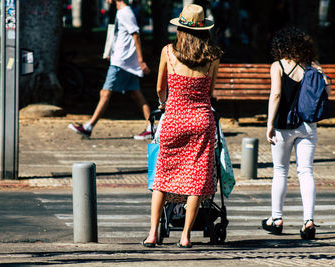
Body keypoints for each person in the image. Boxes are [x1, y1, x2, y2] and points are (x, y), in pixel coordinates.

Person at [142, 4, 222, 248]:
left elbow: (159, 88)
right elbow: (210, 91)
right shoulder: (213, 57)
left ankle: (153, 233)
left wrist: (166, 102)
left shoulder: (168, 52)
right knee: (196, 179)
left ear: (180, 28)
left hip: (174, 119)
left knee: (163, 177)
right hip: (201, 121)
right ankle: (186, 235)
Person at [262, 27, 331, 240]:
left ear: (281, 46)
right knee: (306, 171)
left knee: (280, 171)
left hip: (283, 125)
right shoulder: (313, 66)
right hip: (307, 125)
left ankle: (276, 219)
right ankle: (308, 221)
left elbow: (275, 95)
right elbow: (327, 89)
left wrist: (269, 123)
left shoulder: (278, 65)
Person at [68, 0, 152, 140]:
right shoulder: (121, 11)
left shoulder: (126, 12)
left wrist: (140, 61)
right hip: (122, 60)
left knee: (105, 92)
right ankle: (151, 128)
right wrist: (111, 51)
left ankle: (88, 127)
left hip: (121, 62)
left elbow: (135, 35)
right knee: (136, 94)